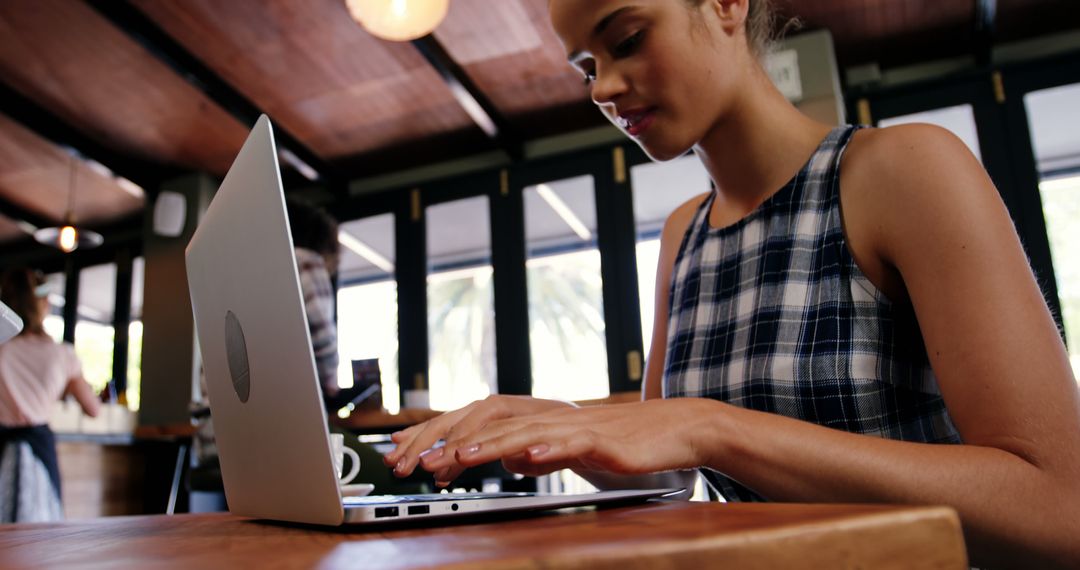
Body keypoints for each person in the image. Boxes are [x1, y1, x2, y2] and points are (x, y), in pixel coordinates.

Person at [382, 0, 1080, 567]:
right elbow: (669, 473)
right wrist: (556, 424)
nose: (601, 88)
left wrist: (712, 426)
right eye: (587, 66)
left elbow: (1059, 511)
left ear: (724, 5)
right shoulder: (685, 232)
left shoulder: (903, 171)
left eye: (626, 39)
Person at [0, 269, 99, 522]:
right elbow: (93, 408)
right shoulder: (62, 355)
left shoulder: (2, 348)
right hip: (39, 450)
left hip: (2, 446)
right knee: (40, 533)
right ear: (40, 304)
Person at [286, 197, 342, 404]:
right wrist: (331, 384)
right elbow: (323, 337)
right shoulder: (306, 261)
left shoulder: (253, 269)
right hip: (292, 404)